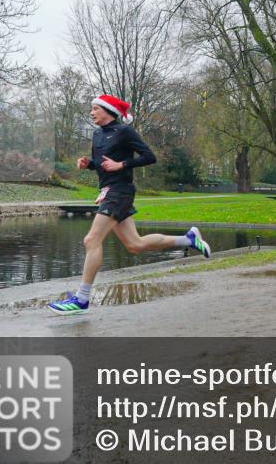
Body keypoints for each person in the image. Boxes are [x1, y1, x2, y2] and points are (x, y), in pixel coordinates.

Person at [47, 94, 211, 315]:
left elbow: (149, 156)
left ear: (108, 110)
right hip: (107, 192)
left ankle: (82, 299)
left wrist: (122, 164)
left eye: (95, 108)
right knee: (135, 245)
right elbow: (103, 164)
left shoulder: (125, 131)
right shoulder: (96, 134)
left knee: (91, 239)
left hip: (120, 191)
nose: (91, 112)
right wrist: (89, 164)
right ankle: (189, 239)